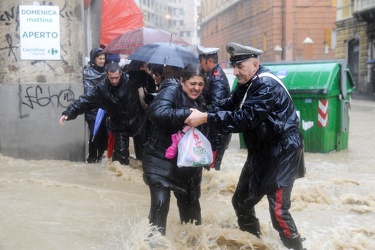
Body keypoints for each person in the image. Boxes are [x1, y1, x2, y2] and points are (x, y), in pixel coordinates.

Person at [184, 42, 306, 250]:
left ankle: (296, 248)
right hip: (260, 152)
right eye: (235, 67)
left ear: (255, 65)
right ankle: (254, 243)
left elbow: (245, 119)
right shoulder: (247, 83)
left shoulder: (266, 86)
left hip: (282, 153)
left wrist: (206, 118)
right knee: (241, 201)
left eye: (240, 67)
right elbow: (231, 104)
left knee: (278, 212)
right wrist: (201, 108)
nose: (236, 72)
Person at [142, 64, 208, 235]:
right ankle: (153, 245)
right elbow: (156, 112)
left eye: (200, 84)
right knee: (160, 205)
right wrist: (187, 114)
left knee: (192, 216)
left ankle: (190, 245)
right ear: (182, 81)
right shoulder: (171, 91)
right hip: (160, 160)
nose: (196, 88)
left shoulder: (200, 100)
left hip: (188, 164)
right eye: (193, 83)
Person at [59, 62, 147, 166]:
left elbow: (148, 80)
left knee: (144, 156)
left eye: (116, 77)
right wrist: (69, 112)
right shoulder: (102, 89)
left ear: (121, 74)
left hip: (137, 121)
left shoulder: (131, 78)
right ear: (107, 75)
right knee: (121, 161)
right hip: (119, 126)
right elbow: (85, 100)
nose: (114, 80)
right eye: (111, 78)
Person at [197, 45, 232, 170]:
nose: (200, 65)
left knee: (212, 169)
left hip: (217, 133)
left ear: (210, 61)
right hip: (212, 131)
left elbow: (217, 106)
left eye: (201, 62)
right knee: (208, 168)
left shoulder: (217, 80)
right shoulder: (211, 76)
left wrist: (200, 114)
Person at [83, 48, 108, 163]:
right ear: (94, 59)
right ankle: (92, 158)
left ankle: (101, 157)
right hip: (92, 109)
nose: (102, 61)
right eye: (100, 58)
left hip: (105, 109)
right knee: (94, 133)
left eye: (104, 58)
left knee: (104, 134)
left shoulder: (107, 72)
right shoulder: (86, 72)